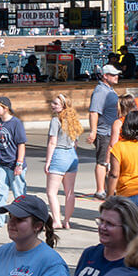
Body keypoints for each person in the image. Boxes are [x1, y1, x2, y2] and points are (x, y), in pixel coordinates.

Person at [45, 93, 83, 230]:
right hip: (72, 155)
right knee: (70, 192)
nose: (52, 105)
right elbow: (76, 142)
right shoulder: (74, 120)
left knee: (51, 192)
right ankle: (67, 221)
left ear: (63, 106)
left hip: (59, 154)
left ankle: (56, 220)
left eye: (56, 104)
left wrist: (48, 162)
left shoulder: (56, 121)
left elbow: (52, 142)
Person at [87, 64, 121, 200]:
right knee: (103, 161)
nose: (116, 77)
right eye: (113, 75)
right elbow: (94, 112)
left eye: (117, 74)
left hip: (110, 131)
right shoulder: (101, 91)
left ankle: (108, 188)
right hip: (104, 131)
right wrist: (93, 131)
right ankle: (100, 190)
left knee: (109, 161)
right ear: (105, 76)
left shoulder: (108, 90)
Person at [0, 96, 27, 216]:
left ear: (5, 108)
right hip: (1, 163)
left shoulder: (16, 123)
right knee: (0, 191)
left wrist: (19, 164)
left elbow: (21, 145)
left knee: (19, 193)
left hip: (14, 163)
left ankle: (23, 217)